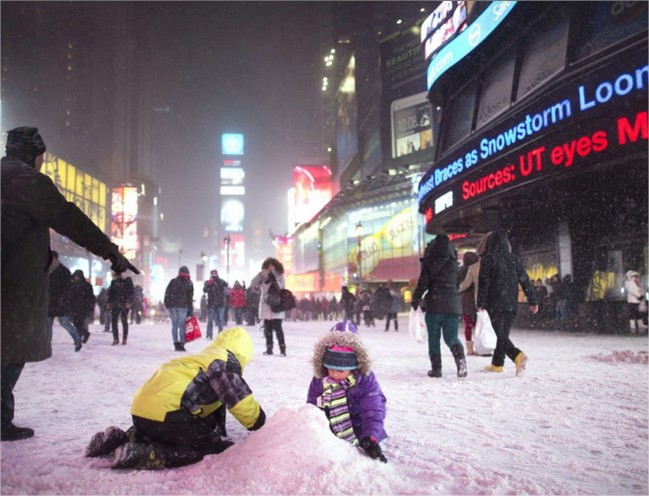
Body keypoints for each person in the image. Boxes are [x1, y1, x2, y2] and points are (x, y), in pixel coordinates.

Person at [1, 126, 137, 442]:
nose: (41, 164)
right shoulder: (28, 181)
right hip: (11, 287)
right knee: (9, 350)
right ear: (30, 155)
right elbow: (69, 218)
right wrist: (110, 251)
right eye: (40, 157)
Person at [84, 326, 266, 469]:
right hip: (168, 415)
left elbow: (215, 404)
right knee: (204, 447)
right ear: (244, 353)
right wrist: (262, 424)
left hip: (142, 412)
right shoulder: (223, 365)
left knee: (163, 431)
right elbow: (240, 402)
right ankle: (144, 455)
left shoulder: (200, 358)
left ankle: (121, 438)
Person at [306, 321, 388, 463]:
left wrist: (370, 437)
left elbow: (373, 410)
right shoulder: (321, 379)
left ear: (354, 366)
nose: (334, 374)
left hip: (359, 427)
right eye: (330, 368)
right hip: (329, 429)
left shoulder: (365, 380)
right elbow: (312, 408)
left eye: (340, 371)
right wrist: (314, 431)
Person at [476, 229, 538, 376]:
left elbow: (484, 283)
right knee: (503, 334)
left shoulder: (488, 259)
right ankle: (497, 363)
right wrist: (533, 300)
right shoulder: (514, 259)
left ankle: (517, 355)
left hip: (495, 304)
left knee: (501, 336)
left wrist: (480, 302)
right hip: (511, 304)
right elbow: (525, 281)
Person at [411, 234, 467, 378]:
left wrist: (416, 299)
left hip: (434, 306)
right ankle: (460, 362)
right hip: (453, 306)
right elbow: (457, 285)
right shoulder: (455, 265)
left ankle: (436, 369)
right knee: (452, 337)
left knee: (434, 338)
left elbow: (422, 284)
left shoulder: (429, 263)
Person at [250, 257, 287, 356]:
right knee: (267, 330)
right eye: (268, 266)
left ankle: (282, 349)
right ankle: (269, 349)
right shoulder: (263, 276)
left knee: (278, 329)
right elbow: (253, 284)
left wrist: (274, 279)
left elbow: (282, 287)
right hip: (266, 305)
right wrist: (259, 275)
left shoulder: (280, 276)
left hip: (277, 305)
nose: (270, 267)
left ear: (275, 266)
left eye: (272, 265)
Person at [47, 251, 83, 352]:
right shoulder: (46, 270)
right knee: (48, 324)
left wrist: (63, 299)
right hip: (50, 302)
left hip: (61, 303)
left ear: (55, 258)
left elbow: (68, 288)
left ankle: (77, 340)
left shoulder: (64, 271)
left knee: (64, 323)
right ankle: (47, 345)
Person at [163, 266, 194, 351]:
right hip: (182, 306)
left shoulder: (173, 281)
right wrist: (190, 311)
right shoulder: (189, 283)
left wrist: (167, 304)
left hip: (173, 306)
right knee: (182, 326)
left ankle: (176, 343)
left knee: (174, 325)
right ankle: (182, 344)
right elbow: (189, 298)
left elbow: (167, 293)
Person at [457, 251, 479, 354]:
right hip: (476, 299)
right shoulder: (476, 269)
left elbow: (459, 285)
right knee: (479, 324)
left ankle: (470, 349)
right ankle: (480, 345)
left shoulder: (460, 270)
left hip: (464, 300)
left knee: (468, 325)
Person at [69, 269, 96, 344]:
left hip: (82, 307)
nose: (75, 278)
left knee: (79, 323)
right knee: (76, 323)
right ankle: (84, 334)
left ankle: (80, 337)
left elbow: (91, 297)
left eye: (76, 276)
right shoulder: (74, 285)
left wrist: (90, 306)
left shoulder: (85, 285)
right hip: (77, 307)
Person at [108, 271, 135, 345]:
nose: (117, 277)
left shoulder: (128, 280)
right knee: (114, 321)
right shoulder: (113, 282)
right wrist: (109, 302)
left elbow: (131, 292)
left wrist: (129, 302)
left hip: (124, 303)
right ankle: (115, 338)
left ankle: (124, 339)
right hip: (116, 303)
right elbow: (111, 293)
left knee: (124, 320)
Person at [203, 269, 228, 339]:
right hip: (212, 304)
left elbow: (226, 285)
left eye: (215, 274)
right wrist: (208, 284)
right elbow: (204, 290)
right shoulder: (208, 282)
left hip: (219, 304)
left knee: (220, 320)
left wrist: (218, 281)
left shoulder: (220, 281)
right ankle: (209, 335)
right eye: (213, 275)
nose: (214, 276)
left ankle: (220, 336)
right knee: (211, 320)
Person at [625, 270, 648, 335]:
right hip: (633, 300)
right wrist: (639, 295)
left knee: (638, 313)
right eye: (635, 276)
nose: (636, 277)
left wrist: (641, 295)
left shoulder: (636, 282)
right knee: (632, 313)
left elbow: (640, 289)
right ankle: (633, 326)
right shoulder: (629, 282)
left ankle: (640, 324)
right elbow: (632, 291)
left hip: (637, 300)